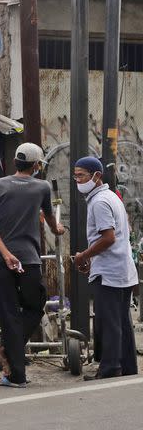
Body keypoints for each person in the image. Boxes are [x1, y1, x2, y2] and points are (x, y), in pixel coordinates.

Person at [0, 143, 64, 388]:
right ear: (37, 165)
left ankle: (14, 369)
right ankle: (10, 356)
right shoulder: (42, 187)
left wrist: (5, 254)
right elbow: (50, 219)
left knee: (8, 314)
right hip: (28, 259)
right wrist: (57, 229)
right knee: (35, 305)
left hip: (0, 259)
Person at [73, 156, 138, 380]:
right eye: (75, 175)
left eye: (81, 175)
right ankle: (128, 367)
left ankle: (110, 368)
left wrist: (84, 255)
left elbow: (108, 237)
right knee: (121, 320)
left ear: (96, 176)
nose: (77, 179)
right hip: (122, 267)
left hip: (110, 271)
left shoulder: (99, 201)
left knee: (109, 321)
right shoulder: (111, 197)